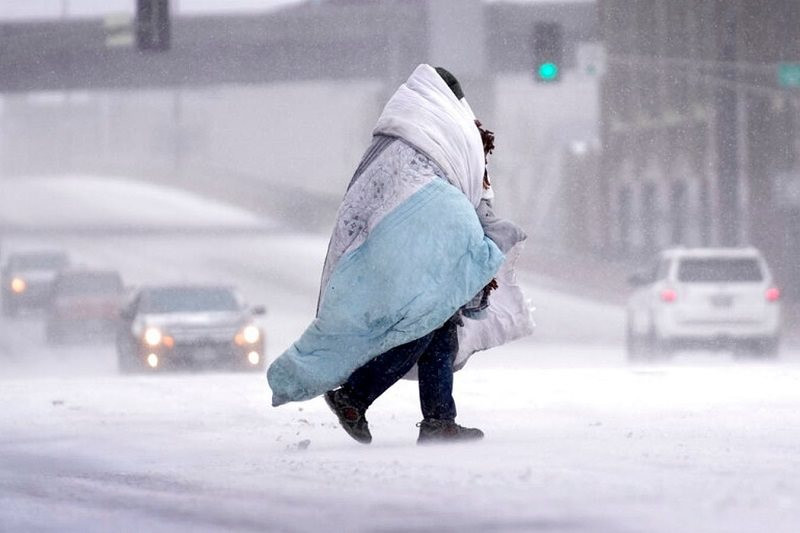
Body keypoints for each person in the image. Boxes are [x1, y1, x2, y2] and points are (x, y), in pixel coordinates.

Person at [267, 64, 532, 444]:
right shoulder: (448, 133)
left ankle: (439, 419)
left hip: (391, 243)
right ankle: (354, 395)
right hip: (415, 244)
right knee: (423, 322)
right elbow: (461, 194)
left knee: (439, 324)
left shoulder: (399, 136)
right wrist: (481, 240)